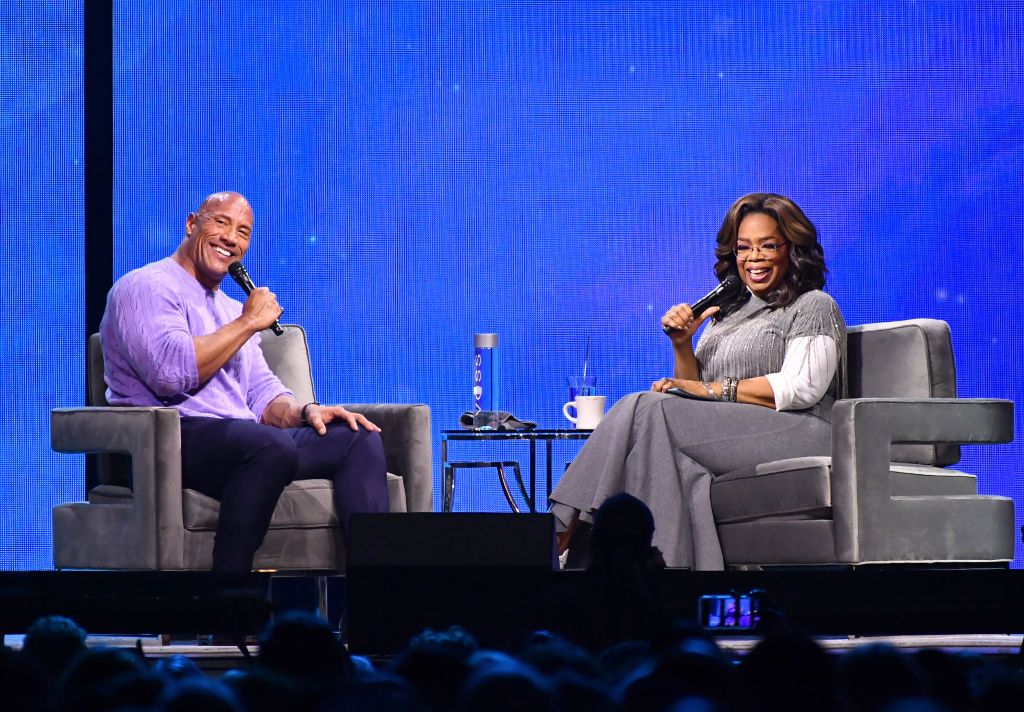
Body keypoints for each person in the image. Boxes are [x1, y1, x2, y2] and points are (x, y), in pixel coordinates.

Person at [550, 192, 845, 569]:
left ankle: (561, 527)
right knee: (656, 446)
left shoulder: (812, 305)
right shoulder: (726, 315)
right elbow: (686, 399)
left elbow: (802, 388)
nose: (753, 258)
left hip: (804, 429)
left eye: (767, 246)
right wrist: (683, 346)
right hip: (739, 431)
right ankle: (658, 579)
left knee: (644, 406)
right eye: (743, 248)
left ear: (792, 249)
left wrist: (707, 390)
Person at [100, 191, 389, 572]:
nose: (231, 239)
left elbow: (262, 397)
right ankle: (226, 598)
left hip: (244, 441)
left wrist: (307, 411)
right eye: (220, 223)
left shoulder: (232, 309)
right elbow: (169, 374)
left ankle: (373, 603)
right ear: (191, 225)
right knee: (267, 446)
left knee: (357, 438)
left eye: (243, 232)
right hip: (168, 441)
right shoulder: (145, 287)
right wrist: (248, 323)